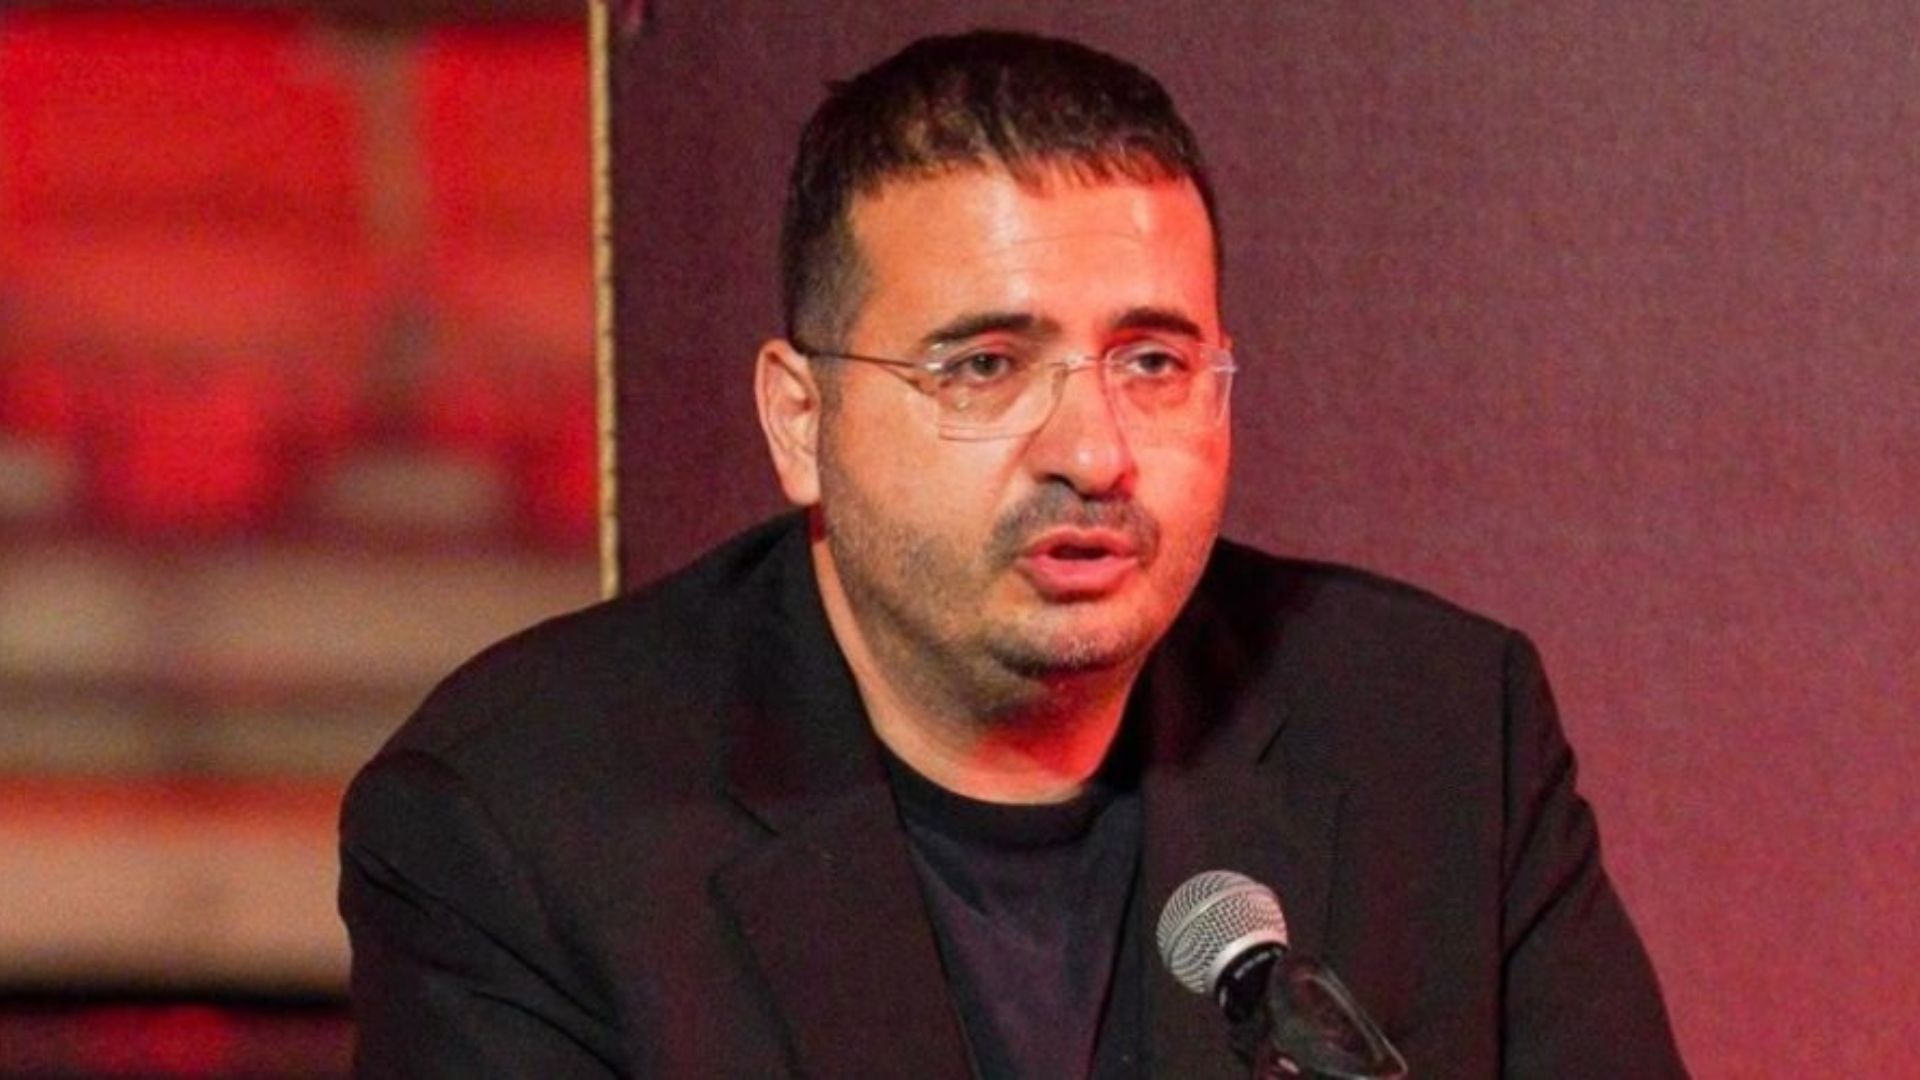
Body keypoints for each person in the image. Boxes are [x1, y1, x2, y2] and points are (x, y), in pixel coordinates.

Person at [339, 30, 1685, 1078]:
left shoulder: (1436, 732)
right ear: (802, 421)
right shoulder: (523, 824)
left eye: (1151, 363)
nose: (1093, 452)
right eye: (986, 365)